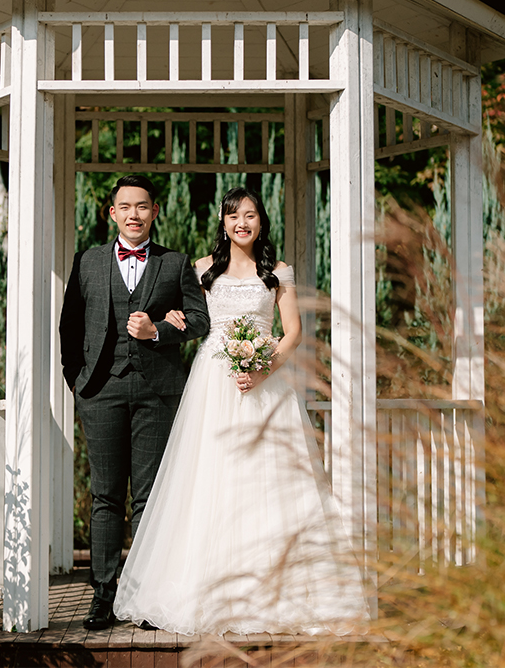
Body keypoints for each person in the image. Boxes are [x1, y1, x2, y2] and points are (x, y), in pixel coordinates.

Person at [114, 187, 368, 636]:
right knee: (212, 480)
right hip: (212, 385)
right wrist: (172, 319)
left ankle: (278, 590)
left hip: (267, 388)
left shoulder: (278, 273)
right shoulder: (201, 270)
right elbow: (190, 319)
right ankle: (210, 588)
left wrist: (263, 368)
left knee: (271, 484)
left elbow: (292, 333)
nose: (242, 224)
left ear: (261, 222)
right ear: (223, 221)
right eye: (234, 216)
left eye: (250, 216)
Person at [59, 175, 211, 631]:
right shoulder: (87, 262)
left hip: (157, 393)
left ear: (155, 211)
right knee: (105, 497)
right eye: (124, 206)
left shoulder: (175, 263)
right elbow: (69, 326)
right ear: (112, 213)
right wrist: (77, 382)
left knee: (148, 497)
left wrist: (160, 331)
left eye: (142, 206)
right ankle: (102, 596)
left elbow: (201, 319)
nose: (133, 214)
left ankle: (145, 596)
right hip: (99, 392)